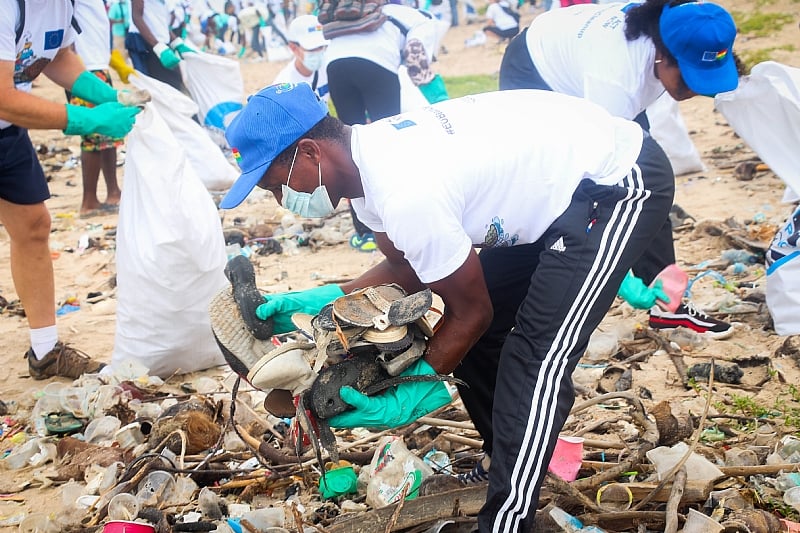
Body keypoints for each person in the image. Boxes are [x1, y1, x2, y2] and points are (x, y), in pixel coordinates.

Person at [218, 82, 674, 532]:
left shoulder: (404, 189)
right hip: (556, 191)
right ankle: (508, 462)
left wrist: (414, 390)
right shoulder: (368, 169)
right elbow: (410, 265)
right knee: (477, 342)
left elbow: (472, 312)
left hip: (615, 183)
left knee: (535, 357)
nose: (282, 201)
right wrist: (322, 302)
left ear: (311, 152)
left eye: (278, 185)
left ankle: (506, 520)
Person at [496, 0, 740, 339]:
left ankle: (667, 303)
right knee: (552, 182)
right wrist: (620, 273)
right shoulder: (617, 79)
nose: (693, 91)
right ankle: (529, 300)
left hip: (587, 59)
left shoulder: (660, 47)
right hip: (536, 67)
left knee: (646, 179)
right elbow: (593, 172)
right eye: (688, 81)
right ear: (662, 54)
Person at [1, 0, 141, 379]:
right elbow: (2, 95)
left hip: (6, 133)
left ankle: (45, 352)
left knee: (33, 226)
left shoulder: (63, 5)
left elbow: (57, 56)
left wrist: (103, 95)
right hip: (5, 110)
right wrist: (84, 118)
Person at [323, 3, 439, 251]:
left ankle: (365, 232)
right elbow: (417, 54)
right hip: (377, 65)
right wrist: (422, 78)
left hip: (335, 67)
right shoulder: (415, 15)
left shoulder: (352, 11)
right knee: (389, 143)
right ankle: (399, 222)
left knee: (348, 147)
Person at [71, 0, 124, 217]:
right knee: (93, 134)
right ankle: (89, 200)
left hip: (98, 66)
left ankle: (113, 191)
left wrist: (112, 60)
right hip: (85, 70)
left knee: (108, 132)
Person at [126, 0, 192, 90]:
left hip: (161, 42)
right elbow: (136, 17)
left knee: (176, 82)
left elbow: (160, 22)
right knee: (160, 87)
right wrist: (158, 46)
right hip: (147, 43)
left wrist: (176, 42)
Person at [274, 15, 330, 102]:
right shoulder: (285, 84)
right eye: (311, 48)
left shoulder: (327, 67)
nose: (318, 52)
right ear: (294, 48)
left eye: (321, 47)